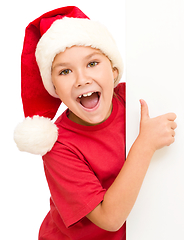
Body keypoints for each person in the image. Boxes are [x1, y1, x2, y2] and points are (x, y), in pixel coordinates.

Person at [14, 6, 177, 240]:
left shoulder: (133, 100)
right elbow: (109, 219)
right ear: (55, 89)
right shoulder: (58, 146)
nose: (82, 79)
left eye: (92, 64)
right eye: (65, 71)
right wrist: (145, 144)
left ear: (113, 70)